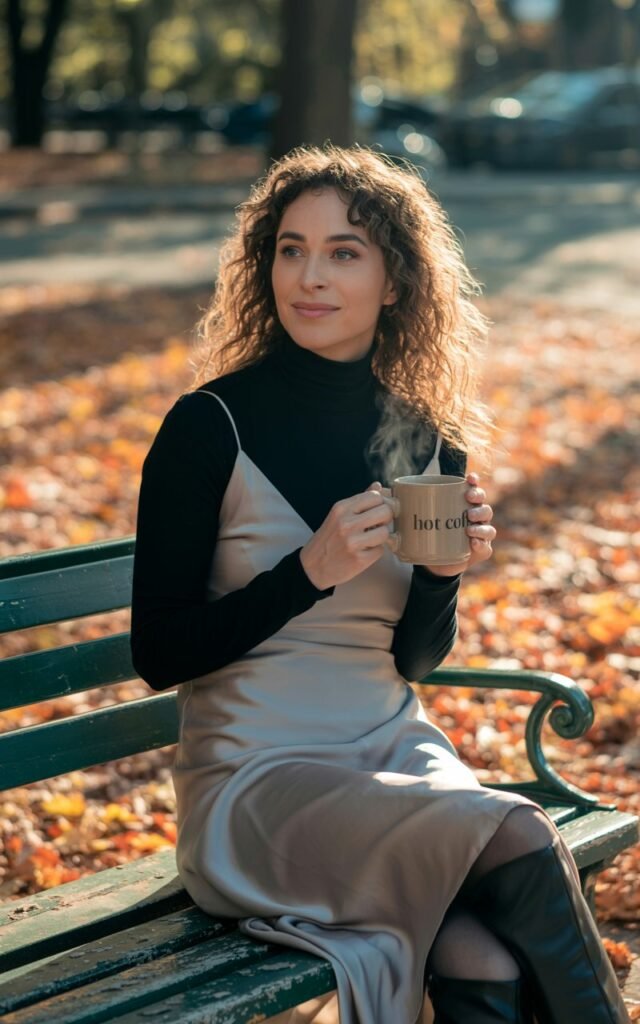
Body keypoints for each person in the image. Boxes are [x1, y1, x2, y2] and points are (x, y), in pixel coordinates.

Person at [130, 145, 629, 1024]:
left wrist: (441, 577)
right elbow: (159, 652)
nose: (309, 276)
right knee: (520, 828)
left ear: (396, 281)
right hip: (257, 782)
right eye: (291, 249)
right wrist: (305, 574)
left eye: (344, 252)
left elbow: (414, 660)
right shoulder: (207, 426)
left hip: (394, 752)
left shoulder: (425, 439)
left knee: (484, 959)